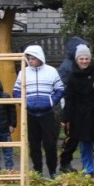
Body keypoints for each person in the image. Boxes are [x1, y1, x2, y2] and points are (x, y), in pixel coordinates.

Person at [13, 45, 64, 178]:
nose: (30, 61)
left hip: (47, 113)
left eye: (33, 58)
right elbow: (16, 91)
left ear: (40, 58)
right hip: (30, 114)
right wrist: (24, 103)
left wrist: (51, 102)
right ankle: (38, 171)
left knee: (50, 143)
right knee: (34, 144)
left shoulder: (51, 71)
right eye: (28, 58)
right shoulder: (22, 72)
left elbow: (60, 89)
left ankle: (52, 171)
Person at [62, 44, 94, 176]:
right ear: (77, 60)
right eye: (81, 59)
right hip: (79, 115)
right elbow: (69, 99)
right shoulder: (72, 77)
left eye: (86, 58)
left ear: (90, 58)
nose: (84, 61)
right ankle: (88, 168)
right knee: (84, 142)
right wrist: (66, 118)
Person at [57, 37, 89, 174]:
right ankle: (65, 162)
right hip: (71, 106)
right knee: (72, 136)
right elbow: (64, 87)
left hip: (80, 106)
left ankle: (71, 162)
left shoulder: (74, 65)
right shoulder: (67, 67)